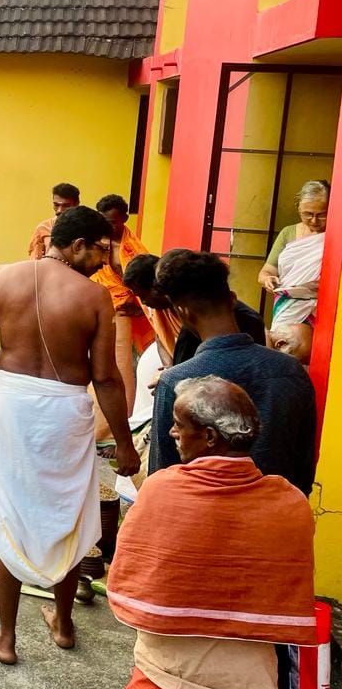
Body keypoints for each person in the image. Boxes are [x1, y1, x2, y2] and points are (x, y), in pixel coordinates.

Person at [0, 205, 139, 665]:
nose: (105, 261)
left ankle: (6, 637)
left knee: (10, 514)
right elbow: (106, 377)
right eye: (101, 250)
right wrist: (123, 442)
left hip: (15, 408)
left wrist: (6, 355)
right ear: (77, 244)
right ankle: (62, 623)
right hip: (65, 412)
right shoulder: (95, 298)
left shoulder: (2, 278)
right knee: (67, 513)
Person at [109, 377, 316, 689]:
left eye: (179, 424)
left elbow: (135, 575)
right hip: (250, 677)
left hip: (165, 671)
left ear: (208, 436)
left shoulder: (162, 488)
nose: (171, 433)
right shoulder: (290, 502)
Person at [151, 249, 316, 495]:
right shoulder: (291, 370)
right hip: (273, 515)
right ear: (233, 299)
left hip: (200, 517)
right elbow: (304, 467)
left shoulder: (175, 380)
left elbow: (162, 475)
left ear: (182, 312)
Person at [90, 194, 155, 440]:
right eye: (104, 220)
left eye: (113, 221)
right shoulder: (95, 243)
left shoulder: (133, 249)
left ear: (125, 218)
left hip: (122, 314)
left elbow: (145, 282)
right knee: (96, 367)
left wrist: (139, 307)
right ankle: (98, 426)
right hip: (97, 309)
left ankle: (112, 431)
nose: (109, 226)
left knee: (119, 370)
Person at [128, 253, 266, 367]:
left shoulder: (248, 320)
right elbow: (160, 338)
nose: (144, 302)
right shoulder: (285, 367)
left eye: (143, 296)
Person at [259, 179, 329, 329]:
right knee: (283, 343)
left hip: (322, 307)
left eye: (322, 215)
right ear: (298, 209)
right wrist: (268, 280)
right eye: (307, 214)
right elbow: (266, 272)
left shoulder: (335, 236)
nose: (314, 220)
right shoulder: (288, 233)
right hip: (287, 306)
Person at [27, 182, 81, 259]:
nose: (59, 210)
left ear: (76, 204)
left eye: (66, 206)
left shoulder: (85, 228)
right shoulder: (43, 228)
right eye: (56, 205)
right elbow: (35, 263)